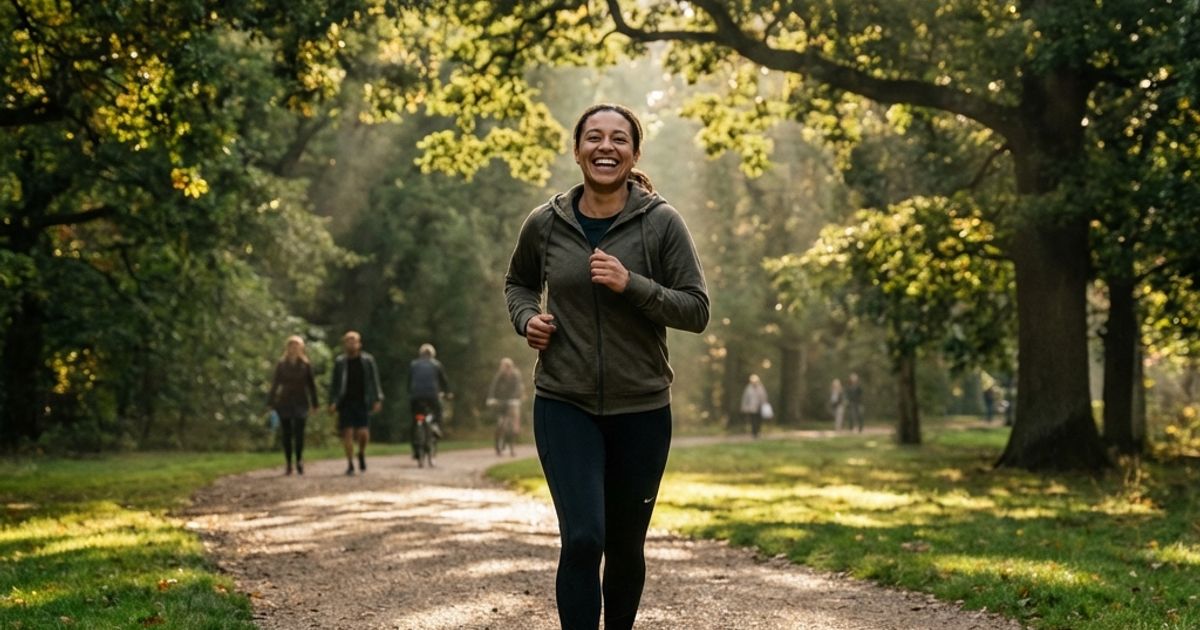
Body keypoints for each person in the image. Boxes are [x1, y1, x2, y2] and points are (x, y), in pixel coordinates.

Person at [505, 103, 709, 630]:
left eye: (619, 139)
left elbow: (696, 308)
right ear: (577, 150)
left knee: (623, 544)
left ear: (634, 153)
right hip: (563, 402)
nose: (606, 147)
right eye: (594, 137)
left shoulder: (662, 223)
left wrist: (632, 284)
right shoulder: (545, 224)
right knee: (583, 538)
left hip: (642, 408)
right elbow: (519, 283)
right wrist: (527, 319)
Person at [328, 331, 383, 476]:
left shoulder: (367, 360)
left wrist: (377, 398)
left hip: (362, 401)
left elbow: (374, 381)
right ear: (344, 344)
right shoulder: (340, 362)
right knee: (347, 433)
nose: (351, 344)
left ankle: (361, 453)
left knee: (363, 433)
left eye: (354, 341)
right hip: (345, 402)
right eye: (348, 341)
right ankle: (350, 463)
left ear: (359, 344)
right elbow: (334, 384)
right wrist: (333, 401)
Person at [267, 335, 319, 475]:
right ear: (287, 348)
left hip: (301, 401)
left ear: (301, 348)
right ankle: (289, 462)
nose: (294, 348)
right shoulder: (281, 364)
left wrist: (315, 403)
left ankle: (299, 460)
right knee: (287, 433)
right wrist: (270, 402)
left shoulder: (305, 365)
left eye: (297, 346)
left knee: (299, 432)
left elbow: (311, 385)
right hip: (285, 402)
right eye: (291, 345)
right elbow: (275, 384)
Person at [409, 343, 451, 463]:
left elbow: (409, 381)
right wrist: (448, 393)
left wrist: (411, 394)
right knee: (438, 412)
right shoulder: (436, 364)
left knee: (414, 419)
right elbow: (443, 380)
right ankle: (436, 427)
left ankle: (416, 448)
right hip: (432, 395)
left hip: (416, 396)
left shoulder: (413, 364)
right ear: (432, 354)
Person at [487, 357, 525, 456]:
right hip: (501, 401)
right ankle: (498, 446)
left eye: (504, 367)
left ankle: (512, 448)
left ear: (509, 367)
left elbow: (517, 388)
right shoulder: (500, 375)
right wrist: (491, 398)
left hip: (512, 401)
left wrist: (513, 398)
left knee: (513, 424)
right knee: (500, 424)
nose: (502, 369)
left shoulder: (516, 375)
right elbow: (493, 387)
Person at [739, 374, 769, 439]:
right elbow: (745, 398)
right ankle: (754, 433)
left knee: (759, 420)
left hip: (760, 407)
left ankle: (758, 432)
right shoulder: (748, 388)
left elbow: (764, 397)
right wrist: (744, 406)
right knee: (753, 420)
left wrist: (765, 404)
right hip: (751, 408)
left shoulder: (761, 387)